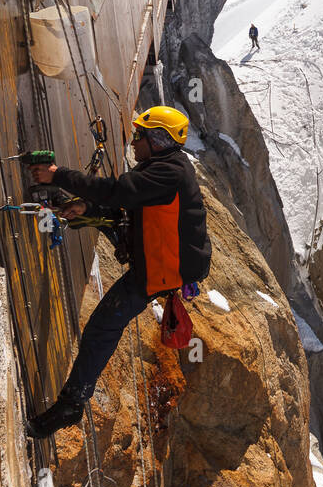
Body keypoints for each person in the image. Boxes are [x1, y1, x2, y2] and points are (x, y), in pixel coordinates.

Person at [24, 106, 211, 437]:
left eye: (139, 135)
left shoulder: (168, 173)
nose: (134, 142)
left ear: (158, 139)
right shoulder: (166, 168)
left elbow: (118, 192)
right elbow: (129, 205)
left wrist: (58, 175)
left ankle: (71, 405)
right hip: (158, 262)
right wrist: (88, 207)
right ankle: (72, 403)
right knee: (103, 326)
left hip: (157, 271)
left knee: (102, 328)